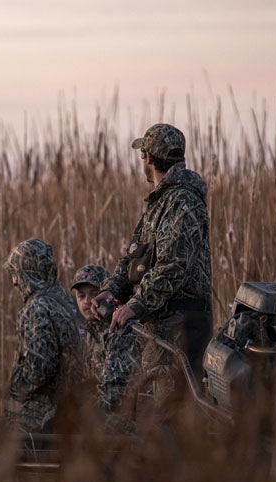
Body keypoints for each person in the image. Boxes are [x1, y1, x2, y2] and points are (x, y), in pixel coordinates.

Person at [93, 124, 213, 405]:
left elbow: (173, 267)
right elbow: (134, 257)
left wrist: (135, 305)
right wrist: (111, 290)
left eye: (142, 154)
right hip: (158, 325)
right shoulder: (159, 203)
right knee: (153, 409)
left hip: (180, 326)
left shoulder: (183, 201)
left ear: (148, 158)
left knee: (169, 414)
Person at [3, 239, 84, 432]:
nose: (14, 282)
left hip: (45, 415)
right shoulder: (70, 302)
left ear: (26, 274)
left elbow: (40, 368)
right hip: (76, 407)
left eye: (16, 274)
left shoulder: (36, 308)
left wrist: (14, 389)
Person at [70, 264, 140, 418]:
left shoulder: (119, 329)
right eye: (81, 296)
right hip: (97, 418)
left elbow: (115, 390)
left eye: (94, 293)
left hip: (121, 422)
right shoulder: (88, 333)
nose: (87, 301)